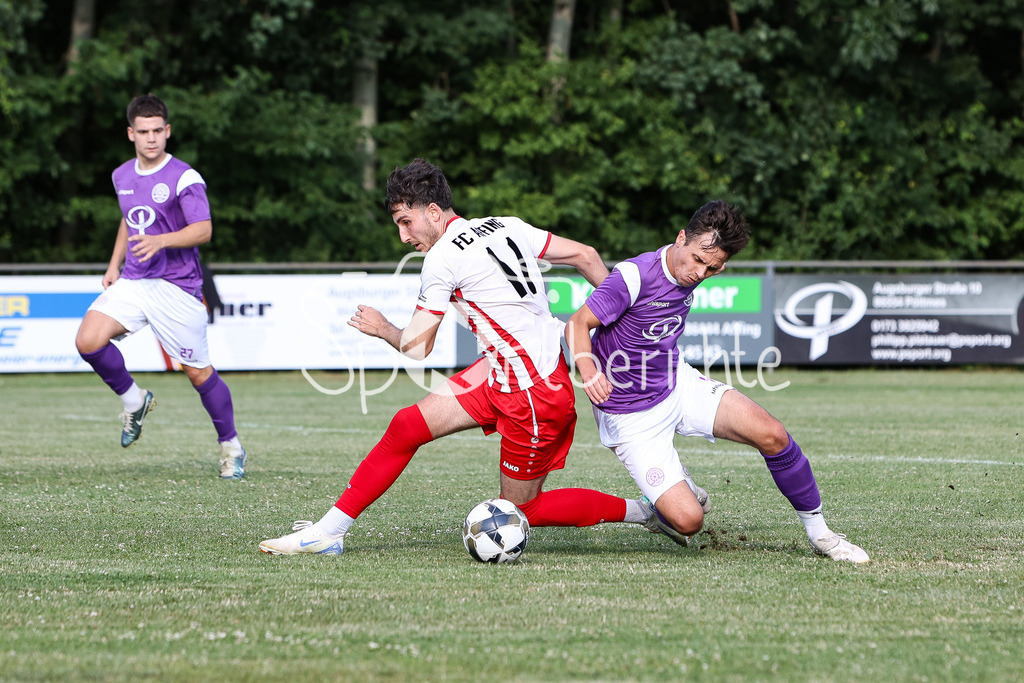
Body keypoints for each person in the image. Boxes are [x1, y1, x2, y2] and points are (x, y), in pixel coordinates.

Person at [259, 158, 653, 555]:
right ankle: (329, 532)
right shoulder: (506, 225)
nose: (402, 236)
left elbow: (417, 347)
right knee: (407, 426)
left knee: (522, 509)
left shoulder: (442, 258)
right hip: (507, 370)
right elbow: (586, 255)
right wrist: (628, 320)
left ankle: (646, 512)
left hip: (531, 392)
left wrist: (382, 329)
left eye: (404, 221)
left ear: (432, 211)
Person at [565, 200, 870, 563]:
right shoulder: (635, 275)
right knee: (689, 520)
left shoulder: (697, 268)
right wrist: (589, 370)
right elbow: (577, 323)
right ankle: (656, 504)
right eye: (697, 260)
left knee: (772, 434)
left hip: (677, 384)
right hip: (629, 416)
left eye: (713, 268)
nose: (700, 273)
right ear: (681, 238)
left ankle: (821, 535)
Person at [74, 94, 246, 480]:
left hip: (177, 287)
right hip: (135, 281)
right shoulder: (121, 175)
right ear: (131, 134)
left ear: (167, 132)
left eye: (158, 131)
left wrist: (161, 241)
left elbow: (204, 229)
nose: (151, 138)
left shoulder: (185, 177)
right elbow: (127, 219)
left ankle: (231, 447)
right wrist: (114, 264)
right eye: (143, 131)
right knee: (88, 340)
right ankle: (134, 401)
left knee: (198, 373)